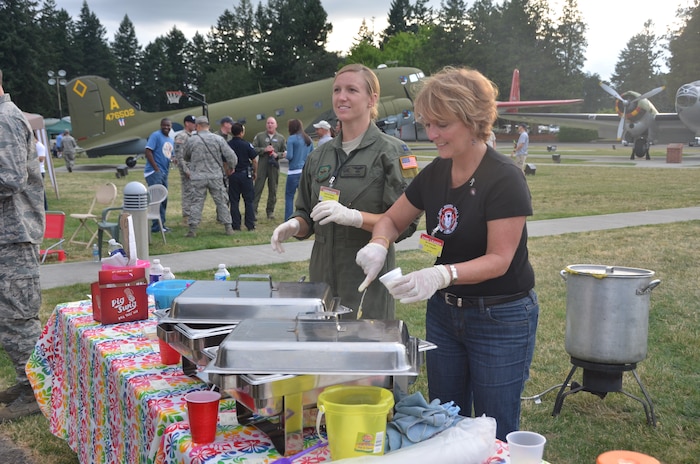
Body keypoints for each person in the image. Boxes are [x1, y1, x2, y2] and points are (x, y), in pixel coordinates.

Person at [355, 67, 539, 441]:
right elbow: (391, 219)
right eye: (427, 124)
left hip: (499, 316)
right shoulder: (437, 172)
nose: (432, 134)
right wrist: (378, 243)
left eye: (442, 124)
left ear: (473, 121)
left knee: (494, 426)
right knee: (442, 419)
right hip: (445, 313)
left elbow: (499, 259)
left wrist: (441, 274)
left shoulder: (504, 178)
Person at [270, 63, 418, 321]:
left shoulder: (392, 152)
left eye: (352, 90)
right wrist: (295, 225)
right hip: (322, 276)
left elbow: (404, 223)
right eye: (337, 90)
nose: (342, 97)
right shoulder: (319, 156)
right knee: (323, 348)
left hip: (365, 275)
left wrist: (354, 217)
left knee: (367, 348)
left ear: (372, 99)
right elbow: (306, 214)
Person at [0, 69, 45, 422]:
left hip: (14, 235)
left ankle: (36, 389)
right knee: (7, 315)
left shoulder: (4, 119)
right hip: (8, 233)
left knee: (17, 314)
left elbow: (9, 179)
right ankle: (25, 377)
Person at [181, 115, 238, 237]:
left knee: (196, 202)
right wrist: (231, 167)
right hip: (215, 175)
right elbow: (231, 156)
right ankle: (228, 227)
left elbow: (185, 156)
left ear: (197, 126)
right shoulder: (218, 139)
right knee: (221, 202)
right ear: (208, 126)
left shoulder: (192, 140)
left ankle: (193, 229)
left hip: (198, 177)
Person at [144, 118, 174, 233]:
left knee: (164, 199)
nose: (166, 127)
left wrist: (173, 159)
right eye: (164, 125)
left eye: (168, 126)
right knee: (157, 199)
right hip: (154, 172)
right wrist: (156, 168)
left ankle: (162, 224)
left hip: (164, 172)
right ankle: (156, 227)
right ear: (161, 125)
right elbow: (148, 151)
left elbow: (170, 155)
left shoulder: (170, 140)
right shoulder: (155, 136)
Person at [252, 117, 286, 220]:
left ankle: (270, 211)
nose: (270, 125)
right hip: (262, 165)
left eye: (272, 123)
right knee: (257, 188)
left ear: (276, 125)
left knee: (273, 189)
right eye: (268, 123)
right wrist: (264, 149)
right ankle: (253, 211)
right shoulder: (260, 136)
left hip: (274, 166)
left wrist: (277, 155)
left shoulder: (280, 138)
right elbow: (253, 149)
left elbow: (285, 152)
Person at [227, 122, 258, 231]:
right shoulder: (246, 144)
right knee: (248, 200)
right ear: (241, 133)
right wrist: (255, 172)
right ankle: (250, 224)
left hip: (233, 174)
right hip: (245, 175)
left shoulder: (228, 145)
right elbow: (254, 160)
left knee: (234, 201)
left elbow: (224, 160)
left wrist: (227, 171)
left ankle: (236, 225)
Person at [285, 119, 313, 220]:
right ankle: (308, 217)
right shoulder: (308, 139)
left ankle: (288, 218)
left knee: (289, 196)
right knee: (305, 197)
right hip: (304, 171)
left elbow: (290, 156)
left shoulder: (291, 139)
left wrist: (285, 154)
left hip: (293, 171)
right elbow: (311, 154)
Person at [174, 115, 197, 225]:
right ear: (187, 123)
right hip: (187, 168)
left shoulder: (192, 136)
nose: (194, 125)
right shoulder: (182, 136)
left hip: (193, 167)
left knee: (193, 192)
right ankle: (186, 216)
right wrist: (186, 169)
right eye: (192, 123)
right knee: (188, 192)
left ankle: (192, 215)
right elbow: (179, 156)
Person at [36, 137, 48, 210]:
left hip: (40, 171)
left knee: (41, 191)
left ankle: (45, 208)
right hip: (35, 171)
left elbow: (41, 158)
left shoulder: (39, 146)